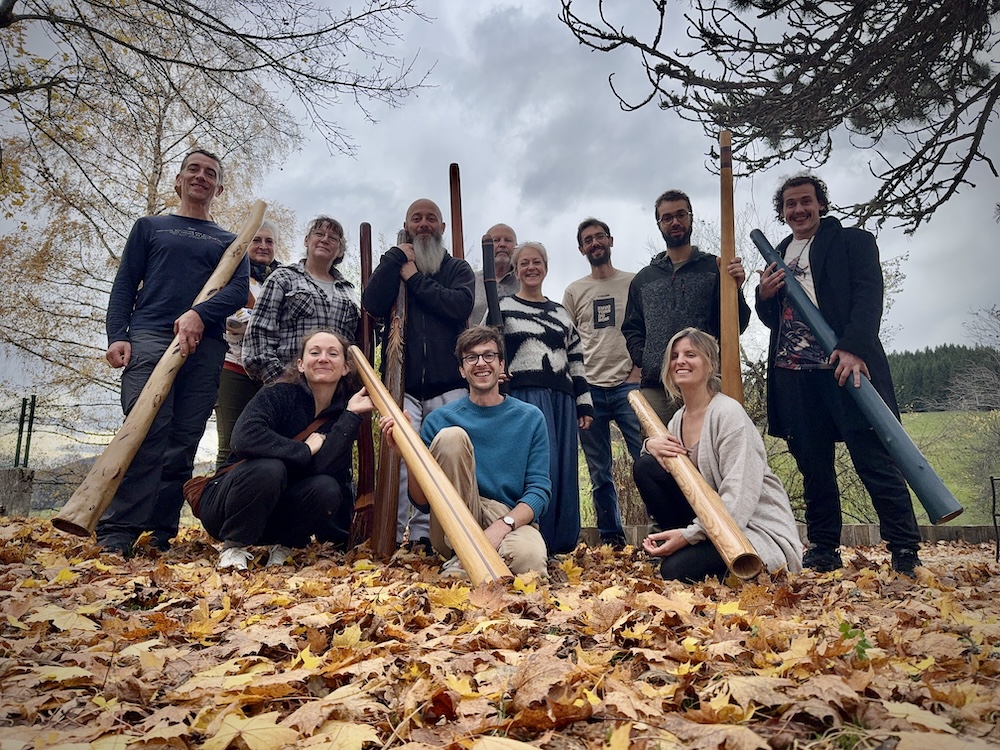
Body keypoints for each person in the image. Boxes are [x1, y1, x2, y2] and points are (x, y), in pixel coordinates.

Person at [756, 173, 922, 575]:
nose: (799, 209)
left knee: (873, 460)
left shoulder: (853, 242)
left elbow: (868, 296)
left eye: (806, 201)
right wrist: (764, 295)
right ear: (782, 212)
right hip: (795, 375)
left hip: (845, 367)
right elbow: (773, 320)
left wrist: (853, 347)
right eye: (790, 204)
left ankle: (904, 548)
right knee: (813, 466)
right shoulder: (778, 253)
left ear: (821, 204)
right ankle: (824, 548)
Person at [99, 149, 249, 555]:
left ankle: (159, 532)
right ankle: (118, 530)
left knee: (183, 438)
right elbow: (125, 284)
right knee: (146, 429)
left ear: (219, 188)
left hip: (206, 346)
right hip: (150, 335)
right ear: (178, 180)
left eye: (210, 173)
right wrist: (117, 335)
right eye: (193, 170)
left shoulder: (230, 241)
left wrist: (199, 315)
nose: (201, 176)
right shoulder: (150, 227)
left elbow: (238, 291)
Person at [633, 328, 803, 582]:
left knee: (674, 571)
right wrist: (651, 445)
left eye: (690, 354)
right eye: (675, 356)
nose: (680, 361)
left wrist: (688, 536)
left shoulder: (728, 413)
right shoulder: (677, 420)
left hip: (750, 529)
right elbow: (665, 473)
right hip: (709, 525)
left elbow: (739, 496)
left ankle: (692, 553)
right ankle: (689, 552)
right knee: (646, 467)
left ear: (711, 364)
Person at [380, 326, 550, 576]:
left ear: (501, 365)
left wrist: (503, 525)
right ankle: (466, 554)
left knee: (529, 561)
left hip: (508, 517)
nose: (481, 363)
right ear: (462, 370)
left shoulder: (530, 418)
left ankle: (465, 567)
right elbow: (422, 501)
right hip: (451, 523)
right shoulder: (439, 420)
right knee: (452, 437)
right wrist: (408, 454)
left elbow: (539, 490)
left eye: (489, 355)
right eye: (471, 357)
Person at [199, 330, 374, 570]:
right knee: (270, 468)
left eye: (333, 354)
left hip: (276, 514)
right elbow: (243, 438)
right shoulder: (278, 393)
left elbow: (324, 467)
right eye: (315, 352)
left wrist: (351, 415)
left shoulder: (343, 413)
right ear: (301, 364)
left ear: (345, 368)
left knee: (326, 487)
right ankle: (234, 547)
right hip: (228, 506)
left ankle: (285, 545)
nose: (323, 358)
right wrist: (303, 450)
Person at [362, 198, 475, 551]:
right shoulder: (393, 264)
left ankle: (428, 535)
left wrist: (413, 279)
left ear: (442, 227)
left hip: (449, 385)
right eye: (417, 218)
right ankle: (394, 535)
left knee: (441, 458)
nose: (424, 224)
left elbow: (458, 305)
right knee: (400, 458)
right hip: (403, 387)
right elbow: (372, 303)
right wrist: (395, 260)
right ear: (407, 226)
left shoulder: (457, 268)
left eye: (431, 218)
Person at [622, 189, 751, 426]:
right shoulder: (643, 280)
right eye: (667, 218)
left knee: (708, 446)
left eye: (681, 215)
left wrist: (736, 289)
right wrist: (647, 358)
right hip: (657, 388)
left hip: (707, 384)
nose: (675, 222)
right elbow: (632, 328)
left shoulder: (715, 268)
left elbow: (736, 325)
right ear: (659, 224)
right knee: (659, 448)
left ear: (691, 218)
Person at [497, 241, 594, 555]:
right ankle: (533, 537)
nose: (531, 268)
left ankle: (562, 542)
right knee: (541, 465)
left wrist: (583, 403)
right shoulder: (502, 308)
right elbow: (488, 346)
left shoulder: (561, 313)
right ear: (516, 270)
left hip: (562, 399)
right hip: (524, 396)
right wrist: (496, 377)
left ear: (546, 267)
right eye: (524, 263)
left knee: (564, 467)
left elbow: (576, 358)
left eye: (536, 262)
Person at [562, 218, 643, 549]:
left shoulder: (633, 282)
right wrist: (576, 385)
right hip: (590, 390)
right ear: (581, 249)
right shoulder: (574, 291)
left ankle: (664, 530)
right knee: (599, 472)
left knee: (647, 461)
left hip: (628, 386)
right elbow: (567, 341)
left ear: (611, 240)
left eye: (599, 237)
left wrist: (638, 371)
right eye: (588, 240)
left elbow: (645, 329)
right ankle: (612, 539)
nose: (594, 243)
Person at [243, 216, 360, 384]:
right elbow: (258, 334)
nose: (325, 239)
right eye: (319, 233)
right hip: (290, 383)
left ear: (341, 251)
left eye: (333, 238)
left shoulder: (349, 293)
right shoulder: (283, 278)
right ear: (306, 240)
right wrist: (280, 382)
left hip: (336, 390)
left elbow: (356, 344)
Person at [214, 220, 281, 468]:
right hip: (234, 367)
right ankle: (219, 490)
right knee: (231, 443)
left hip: (270, 372)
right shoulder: (229, 274)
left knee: (266, 444)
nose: (263, 246)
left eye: (269, 241)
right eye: (256, 240)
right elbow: (225, 317)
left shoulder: (282, 280)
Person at [470, 222, 519, 325]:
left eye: (508, 240)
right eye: (496, 240)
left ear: (516, 247)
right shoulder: (470, 281)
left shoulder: (524, 283)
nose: (502, 244)